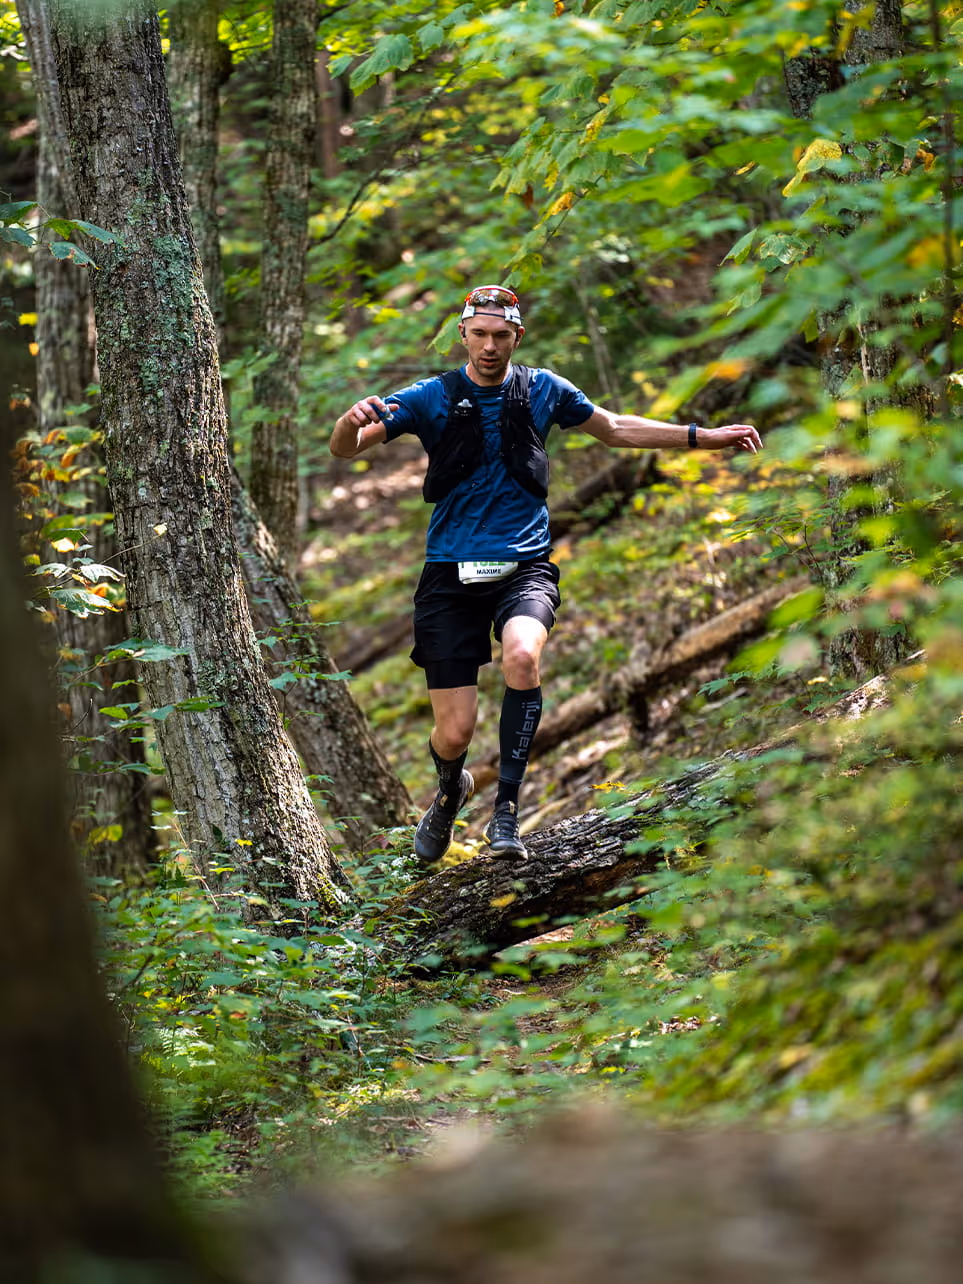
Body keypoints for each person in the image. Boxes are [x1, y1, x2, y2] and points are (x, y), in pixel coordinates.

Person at [330, 285, 762, 865]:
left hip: (524, 567)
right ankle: (451, 788)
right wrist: (346, 420)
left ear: (516, 338)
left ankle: (506, 812)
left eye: (500, 335)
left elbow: (614, 428)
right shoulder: (431, 397)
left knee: (523, 659)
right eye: (479, 333)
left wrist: (703, 437)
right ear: (463, 334)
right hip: (448, 577)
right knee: (454, 733)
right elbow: (348, 451)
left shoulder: (543, 390)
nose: (488, 345)